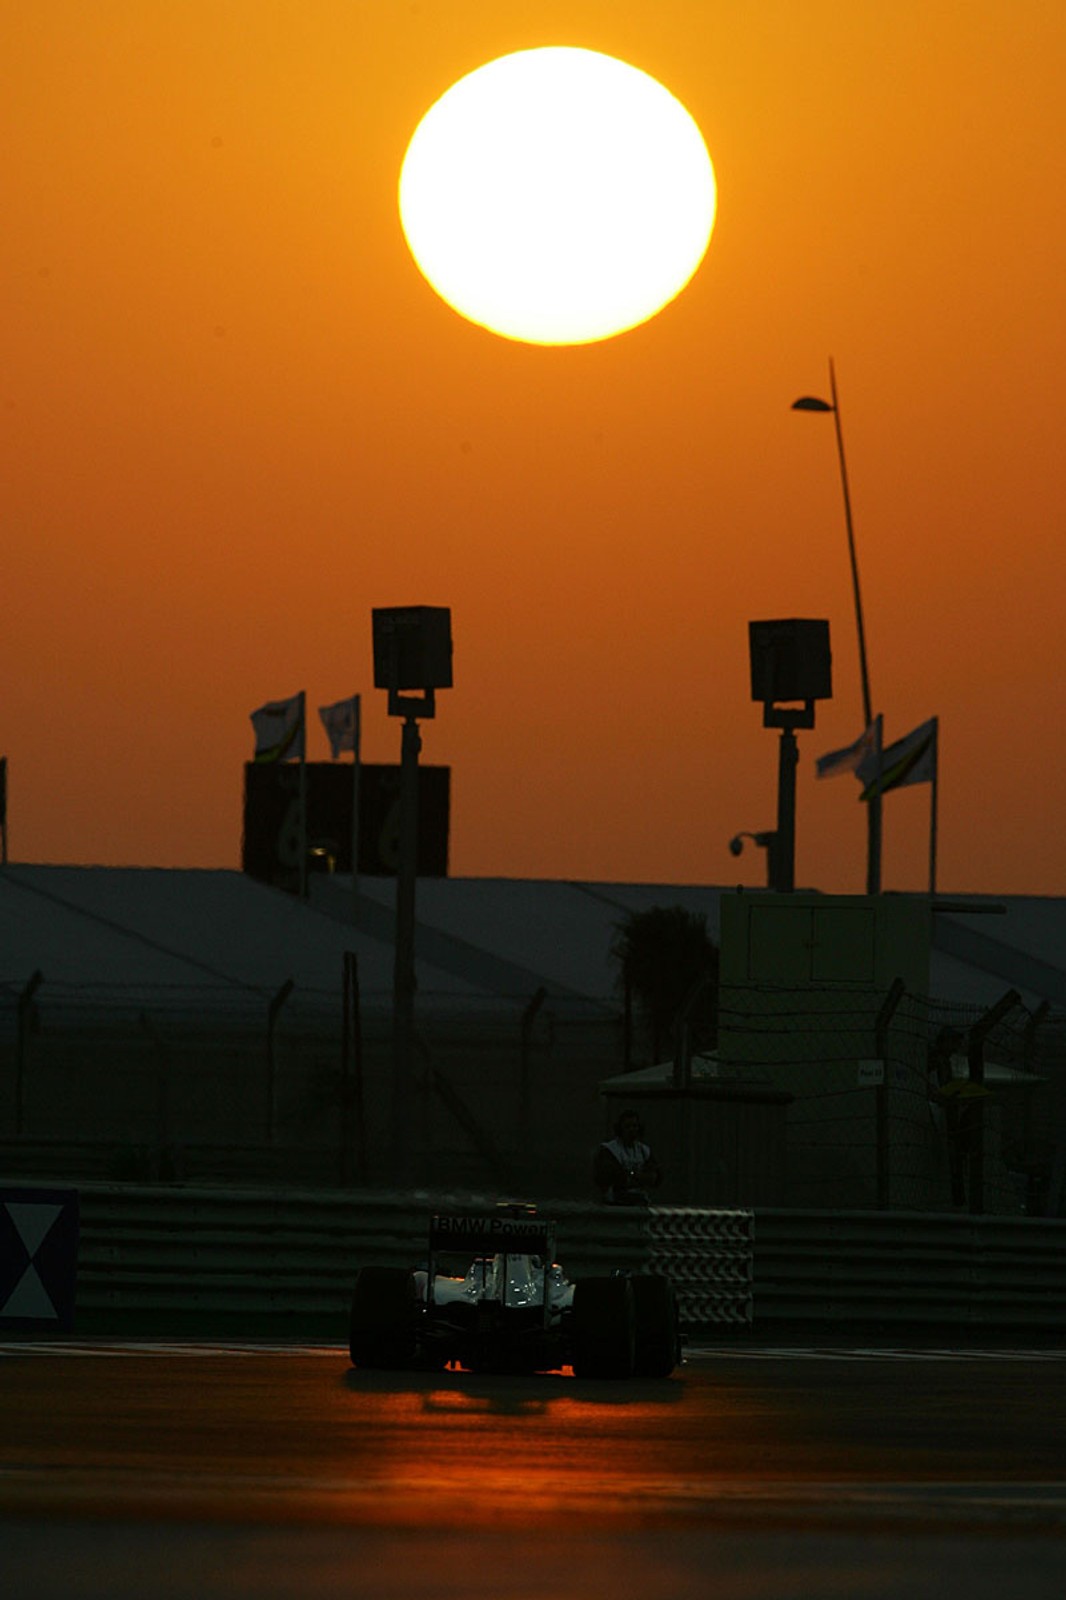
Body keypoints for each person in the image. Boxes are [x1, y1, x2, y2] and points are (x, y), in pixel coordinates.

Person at [593, 1110, 662, 1205]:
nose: (632, 1130)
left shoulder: (644, 1150)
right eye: (627, 1126)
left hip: (640, 1200)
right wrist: (638, 1176)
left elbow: (655, 1177)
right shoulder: (610, 1149)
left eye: (635, 1126)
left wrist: (631, 1176)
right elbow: (610, 1177)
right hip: (615, 1201)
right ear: (620, 1129)